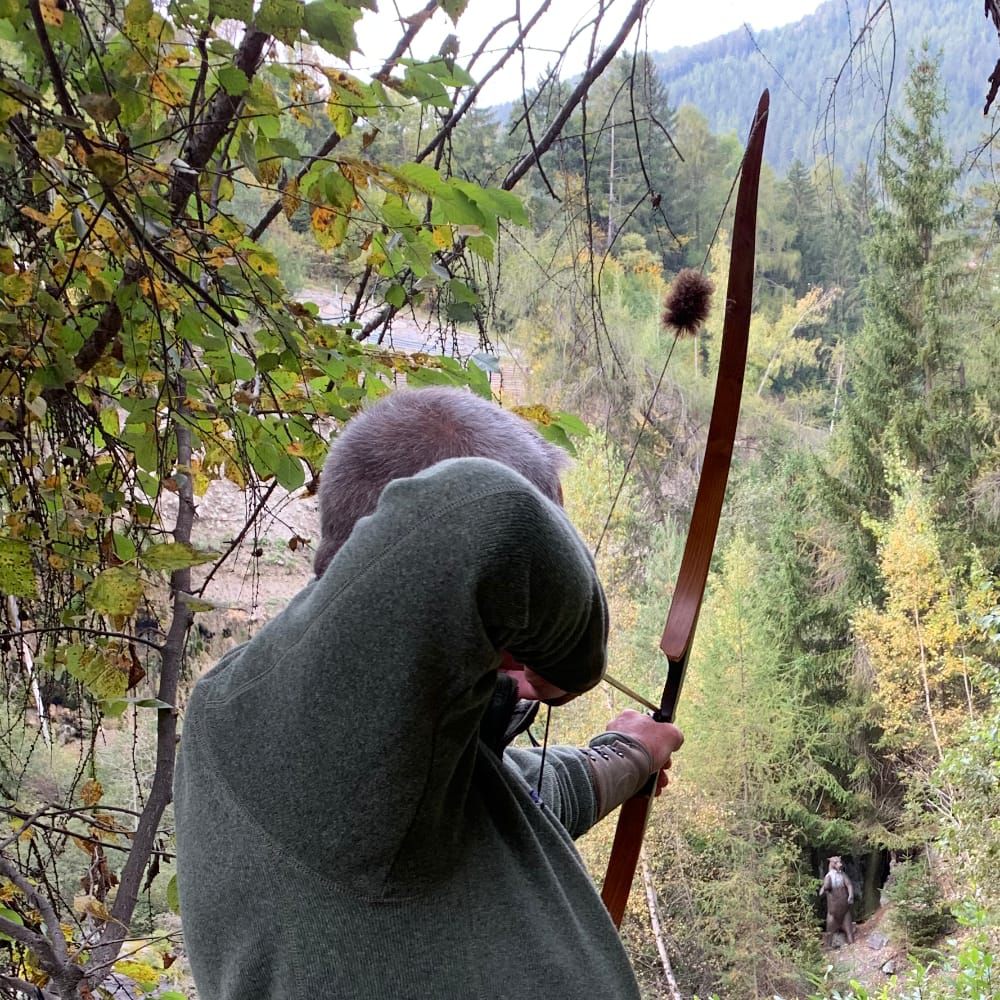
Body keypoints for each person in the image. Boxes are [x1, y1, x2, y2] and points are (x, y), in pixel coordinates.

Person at [174, 386, 683, 999]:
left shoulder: (387, 777)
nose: (521, 677)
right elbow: (484, 507)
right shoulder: (273, 737)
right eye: (508, 625)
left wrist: (626, 754)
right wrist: (571, 662)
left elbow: (513, 802)